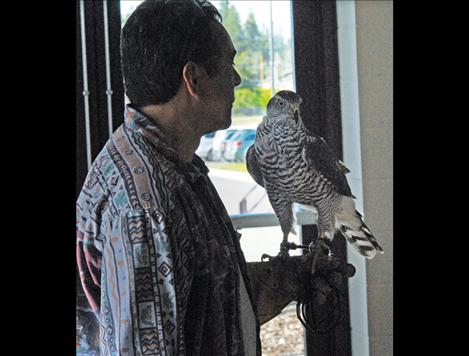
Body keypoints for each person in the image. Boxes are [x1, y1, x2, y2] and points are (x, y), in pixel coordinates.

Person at [76, 1, 354, 355]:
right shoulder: (146, 206)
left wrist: (290, 278)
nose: (237, 78)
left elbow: (203, 308)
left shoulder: (173, 164)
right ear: (193, 79)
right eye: (229, 64)